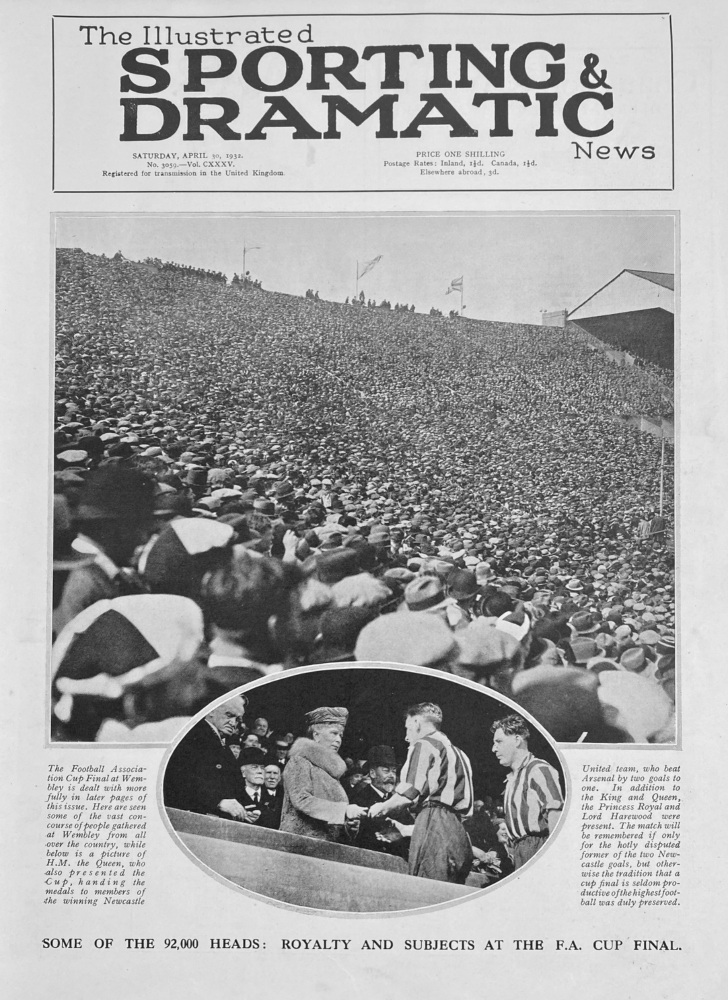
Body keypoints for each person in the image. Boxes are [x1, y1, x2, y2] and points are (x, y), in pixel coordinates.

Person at [368, 703, 473, 883]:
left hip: (432, 822)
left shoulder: (424, 744)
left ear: (417, 722)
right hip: (459, 833)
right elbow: (448, 817)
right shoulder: (461, 755)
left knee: (426, 885)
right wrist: (407, 830)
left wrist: (382, 807)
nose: (406, 736)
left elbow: (409, 793)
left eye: (408, 728)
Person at [279, 707, 367, 841]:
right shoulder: (300, 761)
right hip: (299, 844)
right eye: (334, 733)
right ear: (316, 735)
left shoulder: (331, 771)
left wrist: (348, 826)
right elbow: (302, 800)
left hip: (324, 846)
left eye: (341, 735)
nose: (338, 740)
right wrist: (343, 811)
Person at [490, 713, 564, 869]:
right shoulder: (511, 780)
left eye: (499, 742)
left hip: (537, 847)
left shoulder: (538, 769)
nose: (493, 749)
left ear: (517, 740)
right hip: (520, 851)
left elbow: (556, 815)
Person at [163, 695, 250, 820]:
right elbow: (178, 779)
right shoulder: (191, 736)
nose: (233, 723)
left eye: (237, 719)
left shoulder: (222, 744)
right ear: (211, 711)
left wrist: (247, 809)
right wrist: (217, 802)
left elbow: (235, 784)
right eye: (229, 715)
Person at [351, 745, 411, 858]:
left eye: (394, 771)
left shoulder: (396, 802)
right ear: (372, 773)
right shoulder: (360, 799)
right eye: (386, 771)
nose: (392, 776)